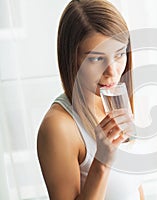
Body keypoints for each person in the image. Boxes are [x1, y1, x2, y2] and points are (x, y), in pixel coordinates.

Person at [37, 0, 144, 199]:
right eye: (96, 58)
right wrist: (101, 163)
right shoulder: (58, 127)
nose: (112, 72)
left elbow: (133, 188)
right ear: (71, 59)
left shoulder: (113, 100)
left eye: (119, 54)